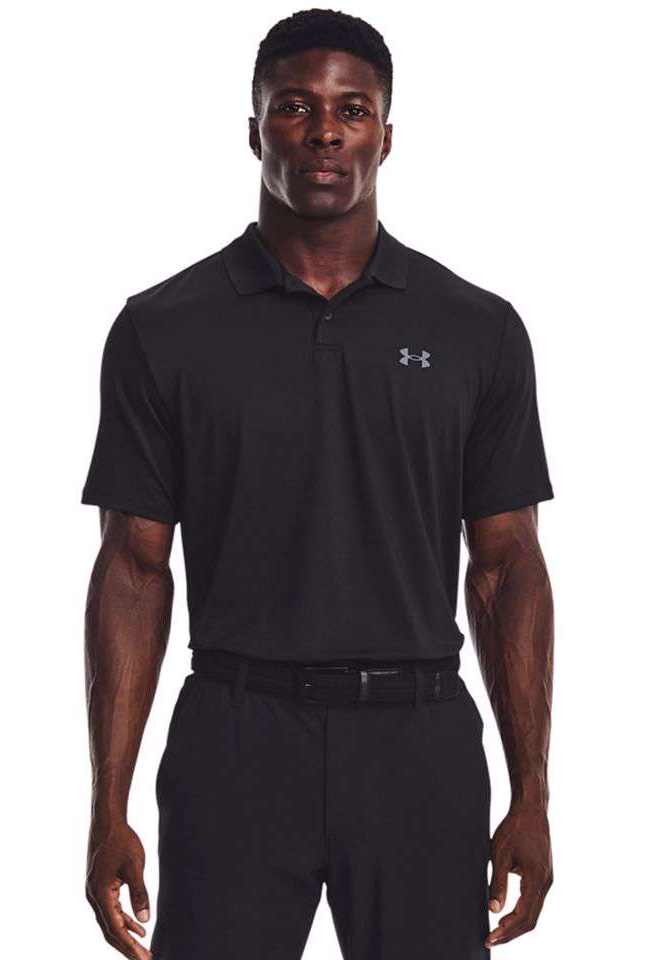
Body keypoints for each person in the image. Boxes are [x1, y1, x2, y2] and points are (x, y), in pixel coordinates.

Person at [81, 9, 555, 960]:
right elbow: (133, 570)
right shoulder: (162, 328)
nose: (325, 131)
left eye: (352, 109)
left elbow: (507, 567)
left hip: (419, 743)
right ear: (255, 130)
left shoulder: (477, 328)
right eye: (296, 107)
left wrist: (533, 794)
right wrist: (107, 805)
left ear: (387, 134)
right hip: (234, 735)